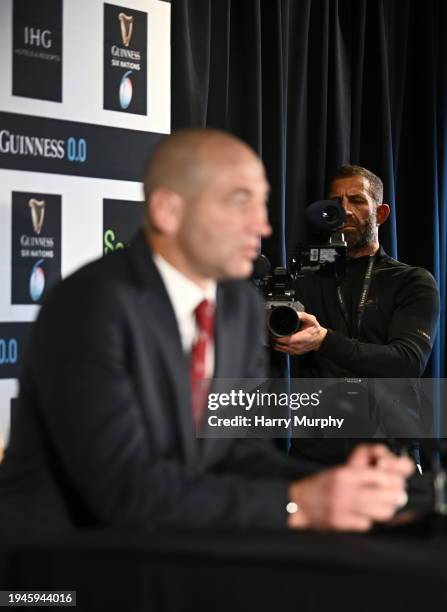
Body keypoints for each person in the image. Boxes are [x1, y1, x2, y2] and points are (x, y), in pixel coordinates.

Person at [0, 133, 413, 537]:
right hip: (67, 563)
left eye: (262, 203)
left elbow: (237, 452)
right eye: (239, 202)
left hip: (174, 549)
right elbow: (123, 491)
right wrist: (301, 502)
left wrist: (347, 489)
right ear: (168, 210)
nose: (263, 225)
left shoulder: (237, 306)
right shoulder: (89, 305)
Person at [272, 165, 440, 464]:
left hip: (386, 454)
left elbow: (407, 362)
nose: (345, 211)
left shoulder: (411, 280)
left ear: (382, 213)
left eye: (358, 200)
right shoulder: (305, 278)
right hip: (312, 454)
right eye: (335, 202)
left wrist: (324, 341)